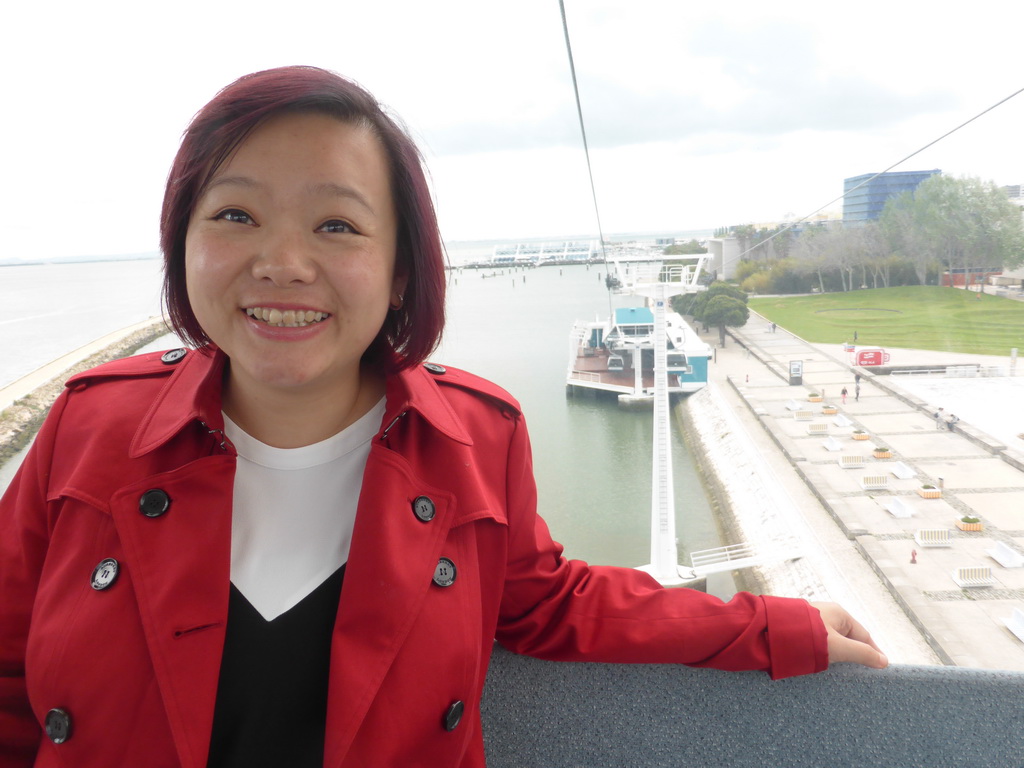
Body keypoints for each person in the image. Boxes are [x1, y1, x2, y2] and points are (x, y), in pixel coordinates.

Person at [0, 66, 886, 767]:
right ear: (183, 246)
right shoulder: (87, 431)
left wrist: (773, 625)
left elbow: (550, 602)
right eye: (235, 214)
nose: (282, 262)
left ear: (399, 273)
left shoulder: (474, 439)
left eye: (337, 227)